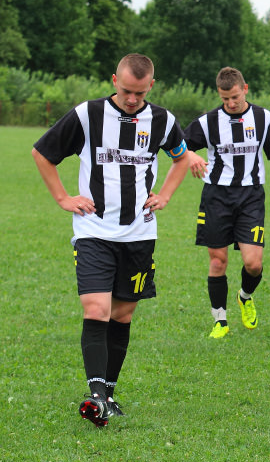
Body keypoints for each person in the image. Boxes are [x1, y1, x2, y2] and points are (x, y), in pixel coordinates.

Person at [31, 53, 190, 427]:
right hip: (93, 230)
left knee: (122, 314)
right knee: (96, 309)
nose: (132, 98)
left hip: (139, 234)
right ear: (113, 80)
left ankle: (110, 392)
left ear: (151, 85)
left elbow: (181, 159)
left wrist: (165, 195)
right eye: (126, 90)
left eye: (139, 92)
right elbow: (42, 153)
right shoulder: (87, 115)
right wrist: (63, 198)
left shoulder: (163, 120)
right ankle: (97, 395)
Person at [184, 67, 270, 339]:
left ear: (245, 89)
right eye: (225, 98)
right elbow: (180, 144)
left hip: (251, 196)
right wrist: (191, 156)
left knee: (253, 263)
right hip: (216, 196)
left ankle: (245, 295)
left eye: (235, 97)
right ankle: (220, 320)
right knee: (218, 262)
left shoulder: (263, 118)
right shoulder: (208, 122)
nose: (230, 103)